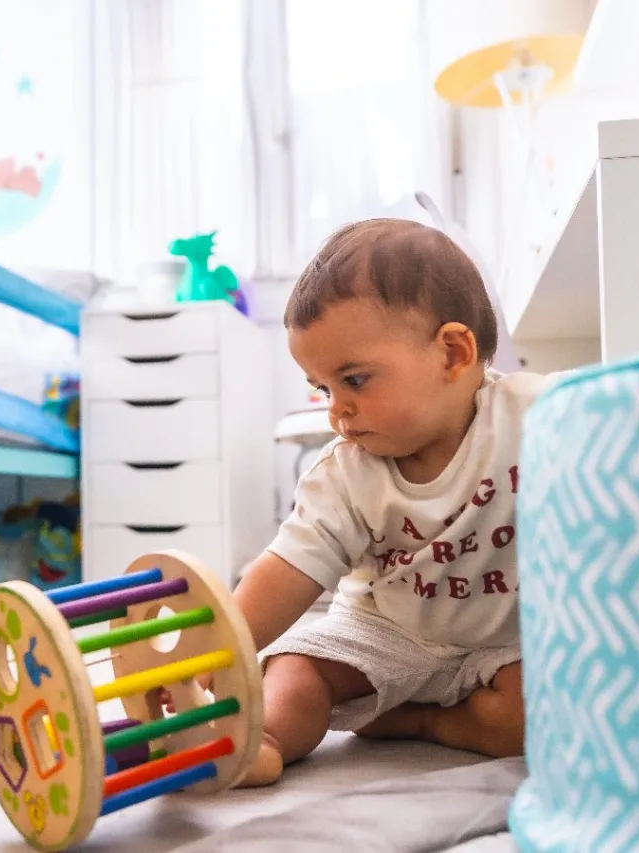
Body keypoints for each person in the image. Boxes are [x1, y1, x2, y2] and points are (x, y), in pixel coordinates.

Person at [234, 218, 555, 786]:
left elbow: (615, 422)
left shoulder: (537, 416)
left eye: (354, 380)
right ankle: (262, 739)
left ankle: (430, 724)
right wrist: (222, 651)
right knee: (296, 670)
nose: (337, 410)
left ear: (453, 354)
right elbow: (287, 569)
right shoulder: (346, 473)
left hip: (506, 641)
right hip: (384, 632)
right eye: (323, 388)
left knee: (544, 714)